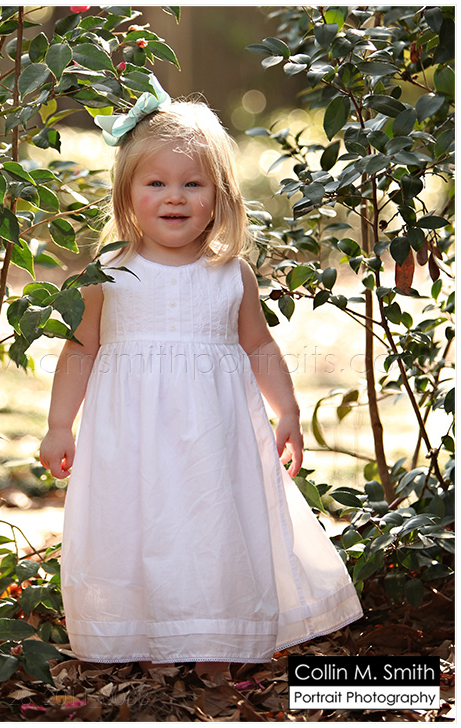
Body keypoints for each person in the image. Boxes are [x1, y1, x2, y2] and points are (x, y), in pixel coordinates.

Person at [40, 76, 362, 679]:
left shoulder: (230, 273)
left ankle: (217, 647)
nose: (175, 197)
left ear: (219, 196)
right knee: (135, 529)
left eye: (193, 184)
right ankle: (145, 646)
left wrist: (288, 413)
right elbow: (81, 348)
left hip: (214, 443)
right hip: (131, 444)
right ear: (127, 192)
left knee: (214, 529)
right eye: (156, 183)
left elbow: (259, 345)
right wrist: (61, 424)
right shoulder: (109, 272)